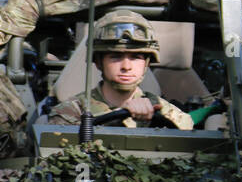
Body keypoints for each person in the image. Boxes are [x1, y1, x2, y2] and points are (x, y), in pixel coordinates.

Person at [48, 10, 192, 130]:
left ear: (146, 63)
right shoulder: (70, 113)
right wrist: (121, 114)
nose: (126, 67)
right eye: (115, 57)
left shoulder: (167, 112)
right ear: (98, 62)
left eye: (135, 57)